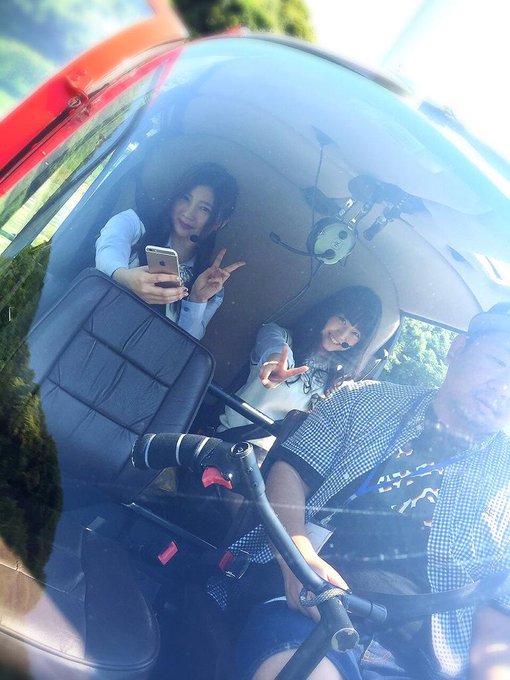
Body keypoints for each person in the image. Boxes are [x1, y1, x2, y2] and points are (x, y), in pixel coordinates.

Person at [217, 303, 510, 680]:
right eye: (500, 363)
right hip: (310, 603)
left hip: (420, 657)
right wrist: (299, 559)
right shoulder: (363, 399)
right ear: (458, 348)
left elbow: (497, 619)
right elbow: (290, 472)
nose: (504, 388)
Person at [217, 286, 382, 450]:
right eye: (342, 319)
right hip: (226, 446)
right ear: (328, 312)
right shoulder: (281, 337)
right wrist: (275, 361)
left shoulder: (339, 385)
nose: (342, 335)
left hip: (271, 463)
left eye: (355, 333)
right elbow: (274, 346)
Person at [95, 162, 244, 340]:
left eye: (204, 208)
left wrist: (197, 300)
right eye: (186, 198)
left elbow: (185, 344)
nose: (188, 213)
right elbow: (108, 248)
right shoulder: (135, 224)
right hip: (92, 327)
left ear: (221, 222)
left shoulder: (210, 282)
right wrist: (124, 277)